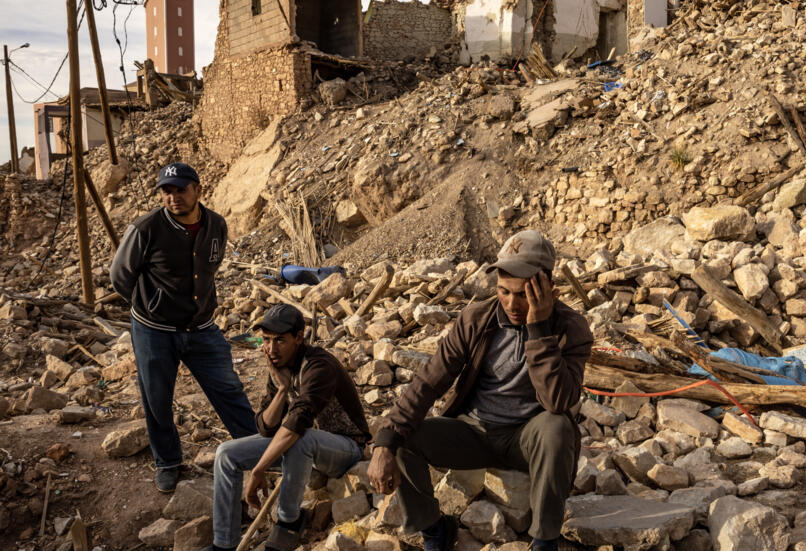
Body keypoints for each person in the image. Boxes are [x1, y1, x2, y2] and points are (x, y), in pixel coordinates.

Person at [367, 230, 594, 551]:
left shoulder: (570, 328)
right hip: (474, 432)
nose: (512, 304)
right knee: (404, 439)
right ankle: (434, 529)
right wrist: (385, 442)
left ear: (548, 290)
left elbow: (558, 401)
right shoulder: (477, 318)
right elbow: (429, 381)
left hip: (528, 440)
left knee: (557, 426)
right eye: (504, 291)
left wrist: (539, 329)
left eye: (523, 294)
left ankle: (544, 540)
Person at [110, 162, 257, 492]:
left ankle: (258, 451)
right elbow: (120, 277)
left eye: (181, 190)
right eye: (167, 191)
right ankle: (168, 462)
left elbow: (210, 267)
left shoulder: (216, 225)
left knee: (228, 389)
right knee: (157, 398)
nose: (173, 197)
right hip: (153, 330)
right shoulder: (145, 228)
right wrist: (151, 306)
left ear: (198, 191)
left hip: (202, 327)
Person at [203, 304, 370, 551]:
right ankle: (224, 543)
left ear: (299, 337)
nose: (271, 349)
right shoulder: (279, 366)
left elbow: (296, 425)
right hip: (302, 449)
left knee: (301, 437)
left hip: (345, 447)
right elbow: (265, 427)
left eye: (280, 340)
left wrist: (259, 470)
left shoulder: (318, 366)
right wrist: (282, 389)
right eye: (267, 340)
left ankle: (289, 519)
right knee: (226, 454)